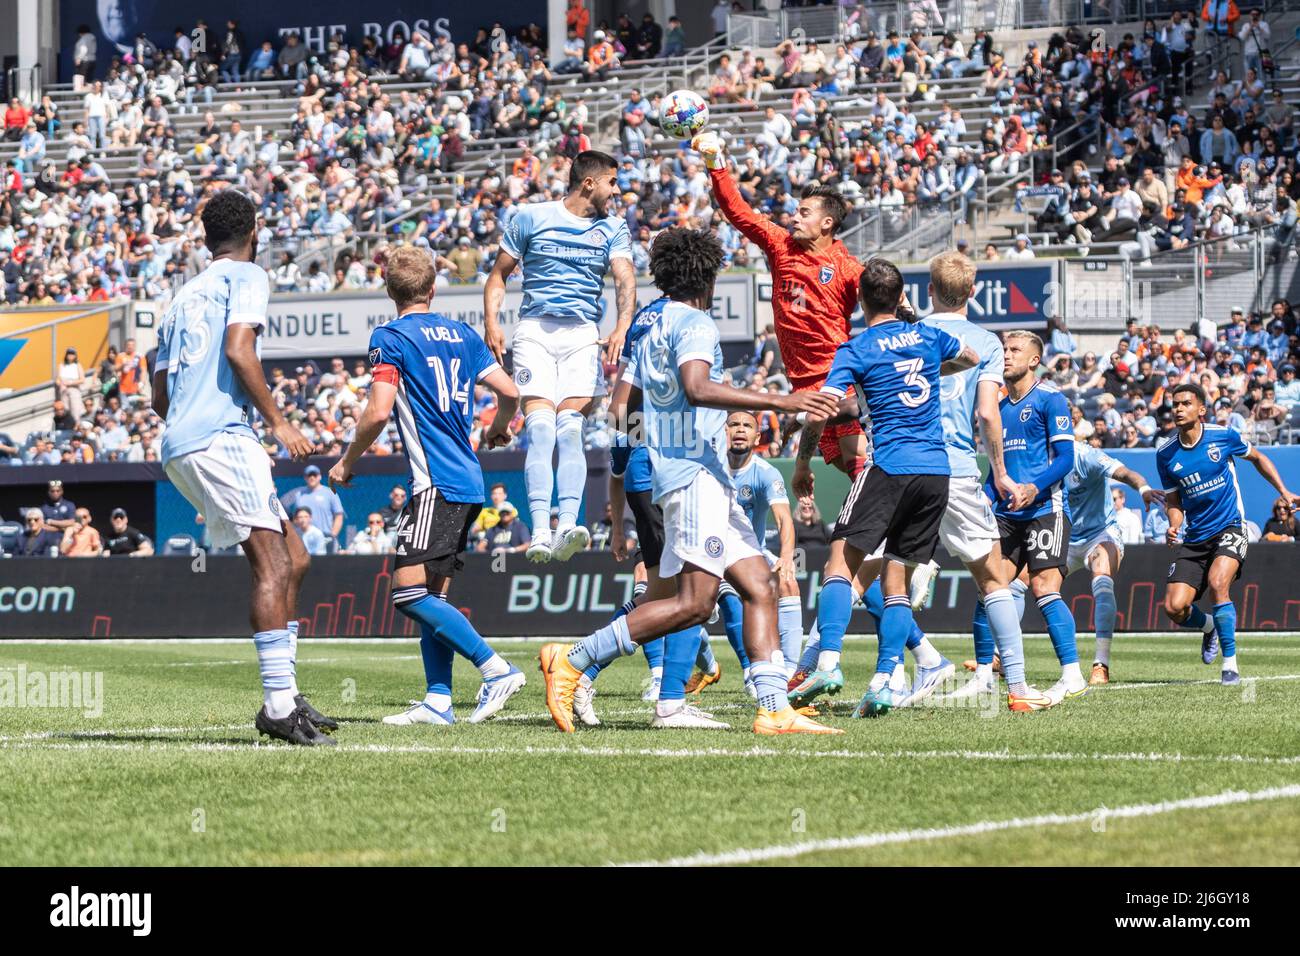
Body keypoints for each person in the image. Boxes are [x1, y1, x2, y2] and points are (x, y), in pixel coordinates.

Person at [536, 228, 840, 736]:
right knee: (694, 602)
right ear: (709, 277)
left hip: (692, 476)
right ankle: (574, 658)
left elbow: (619, 408)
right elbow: (698, 389)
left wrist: (658, 434)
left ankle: (773, 709)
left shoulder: (648, 321)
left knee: (759, 585)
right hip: (695, 477)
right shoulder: (696, 321)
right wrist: (781, 401)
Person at [152, 188, 335, 747]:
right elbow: (238, 349)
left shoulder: (180, 297)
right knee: (273, 566)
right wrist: (277, 421)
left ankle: (287, 693)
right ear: (254, 230)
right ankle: (277, 707)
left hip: (183, 439)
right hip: (221, 437)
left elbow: (160, 391)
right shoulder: (248, 276)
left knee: (295, 557)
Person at [329, 245, 526, 726]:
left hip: (434, 483)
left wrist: (346, 461)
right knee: (433, 598)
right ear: (432, 289)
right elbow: (511, 392)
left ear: (389, 291)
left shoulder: (390, 337)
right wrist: (498, 427)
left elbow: (377, 411)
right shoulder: (462, 334)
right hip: (468, 480)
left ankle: (495, 669)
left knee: (407, 594)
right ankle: (438, 701)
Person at [798, 258, 979, 718]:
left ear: (860, 301)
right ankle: (883, 681)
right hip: (936, 472)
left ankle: (828, 663)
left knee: (839, 564)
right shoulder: (928, 337)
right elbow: (970, 358)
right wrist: (919, 347)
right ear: (901, 297)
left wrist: (802, 461)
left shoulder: (856, 349)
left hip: (889, 466)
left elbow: (822, 408)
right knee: (895, 581)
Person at [483, 150, 636, 564]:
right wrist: (492, 323)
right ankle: (538, 531)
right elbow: (499, 274)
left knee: (570, 430)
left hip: (582, 334)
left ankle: (567, 524)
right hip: (534, 329)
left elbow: (625, 278)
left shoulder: (613, 229)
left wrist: (622, 325)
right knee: (541, 429)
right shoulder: (530, 217)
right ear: (589, 183)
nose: (616, 191)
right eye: (612, 182)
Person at [694, 130, 869, 483]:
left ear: (827, 223)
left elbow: (880, 288)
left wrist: (904, 302)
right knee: (843, 466)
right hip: (801, 385)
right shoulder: (781, 245)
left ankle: (883, 528)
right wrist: (716, 164)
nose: (794, 217)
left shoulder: (847, 267)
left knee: (859, 461)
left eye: (804, 212)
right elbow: (738, 212)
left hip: (839, 377)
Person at [1158, 383, 1300, 685]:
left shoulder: (1223, 437)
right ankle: (1210, 627)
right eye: (1175, 405)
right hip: (1195, 537)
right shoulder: (1166, 454)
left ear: (1201, 410)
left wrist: (1284, 491)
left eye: (1185, 404)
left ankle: (1230, 665)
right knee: (1174, 608)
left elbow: (1259, 458)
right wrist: (1174, 523)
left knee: (1218, 582)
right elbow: (1173, 501)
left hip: (1230, 527)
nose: (1179, 409)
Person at [987, 330, 1086, 706]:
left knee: (1044, 587)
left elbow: (1065, 459)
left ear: (1033, 360)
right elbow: (996, 468)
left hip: (1046, 508)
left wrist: (1034, 487)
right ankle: (984, 674)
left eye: (1014, 350)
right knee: (990, 587)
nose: (1006, 356)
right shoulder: (996, 407)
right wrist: (984, 498)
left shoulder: (1050, 399)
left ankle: (1072, 674)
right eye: (1004, 350)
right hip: (1005, 512)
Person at [281, 464, 344, 545]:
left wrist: (332, 535)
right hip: (304, 539)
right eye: (309, 475)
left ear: (320, 476)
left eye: (314, 474)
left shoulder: (330, 493)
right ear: (305, 478)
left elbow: (339, 516)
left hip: (325, 538)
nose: (312, 477)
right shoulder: (299, 495)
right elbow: (295, 519)